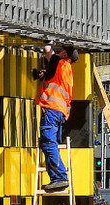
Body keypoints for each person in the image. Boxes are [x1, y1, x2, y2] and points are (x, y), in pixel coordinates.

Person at [34, 42, 78, 190]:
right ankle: (56, 177)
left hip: (52, 110)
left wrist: (48, 40)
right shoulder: (67, 70)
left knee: (48, 142)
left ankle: (59, 177)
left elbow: (47, 49)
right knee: (50, 144)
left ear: (65, 55)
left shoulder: (58, 63)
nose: (58, 53)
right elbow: (54, 81)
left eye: (61, 51)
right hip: (60, 112)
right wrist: (43, 74)